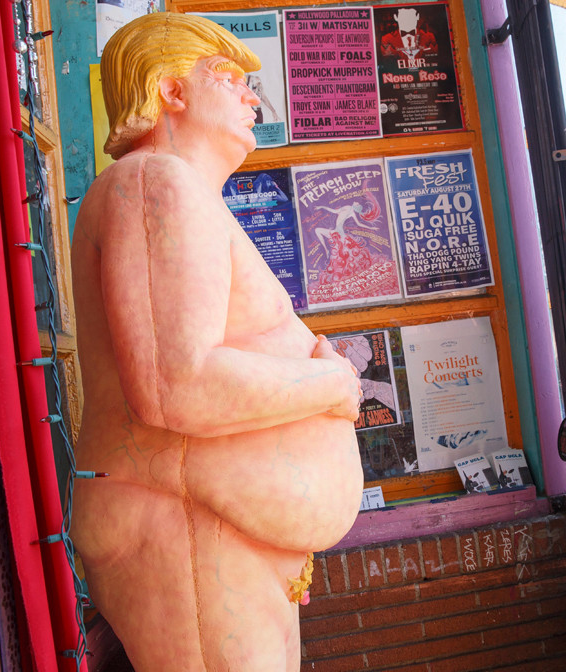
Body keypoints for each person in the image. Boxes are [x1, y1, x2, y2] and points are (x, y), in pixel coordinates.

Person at [70, 13, 363, 671]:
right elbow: (180, 386)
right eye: (229, 78)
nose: (252, 96)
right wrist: (333, 384)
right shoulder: (157, 183)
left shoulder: (177, 191)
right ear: (173, 92)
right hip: (182, 525)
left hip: (212, 531)